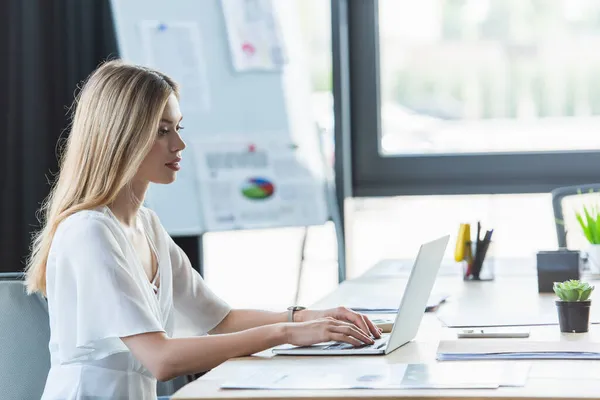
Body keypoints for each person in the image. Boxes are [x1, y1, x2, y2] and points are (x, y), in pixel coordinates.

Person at [25, 60, 381, 400]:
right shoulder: (89, 232)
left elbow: (220, 320)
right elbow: (160, 359)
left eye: (178, 128)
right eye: (161, 132)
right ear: (122, 136)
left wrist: (310, 317)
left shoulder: (146, 225)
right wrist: (287, 333)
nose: (178, 145)